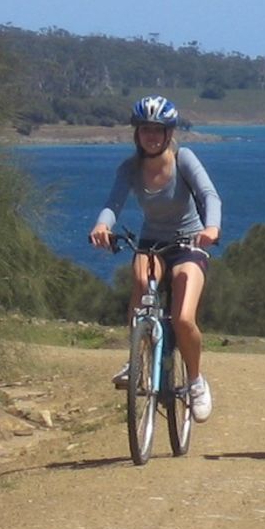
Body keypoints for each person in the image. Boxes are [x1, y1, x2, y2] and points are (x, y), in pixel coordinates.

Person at [89, 96, 222, 421]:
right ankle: (137, 358)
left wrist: (212, 228)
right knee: (139, 282)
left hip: (189, 241)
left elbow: (209, 195)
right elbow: (113, 203)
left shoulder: (184, 159)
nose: (151, 136)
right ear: (137, 133)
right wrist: (102, 224)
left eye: (158, 130)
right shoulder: (130, 168)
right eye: (145, 130)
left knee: (183, 318)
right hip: (152, 241)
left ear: (169, 134)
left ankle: (195, 381)